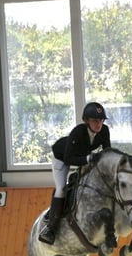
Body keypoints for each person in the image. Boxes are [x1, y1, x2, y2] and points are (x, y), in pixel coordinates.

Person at [39, 101, 112, 244]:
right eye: (95, 120)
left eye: (101, 120)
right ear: (86, 121)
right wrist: (88, 158)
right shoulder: (78, 132)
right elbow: (68, 158)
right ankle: (51, 228)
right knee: (61, 188)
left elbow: (107, 151)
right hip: (62, 158)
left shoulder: (104, 131)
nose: (99, 124)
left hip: (82, 157)